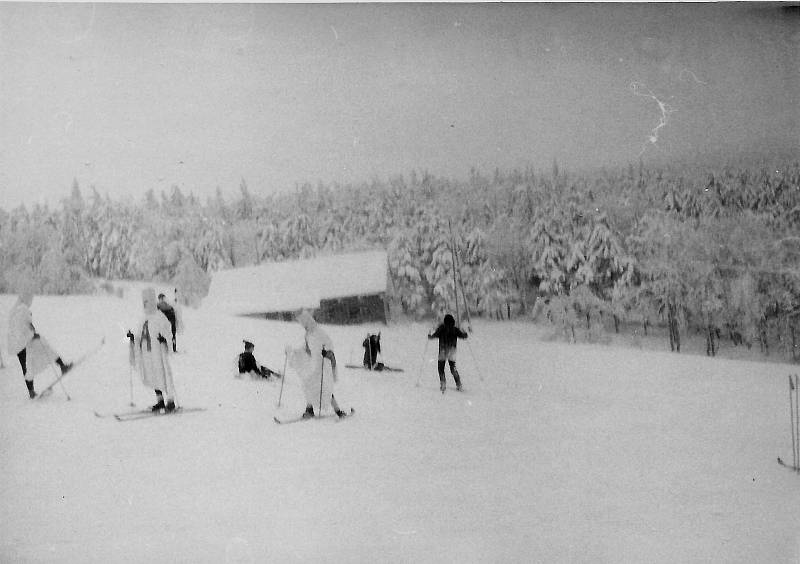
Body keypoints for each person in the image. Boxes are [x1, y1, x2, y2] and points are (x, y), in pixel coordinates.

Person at [6, 290, 72, 398]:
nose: (31, 301)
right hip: (23, 342)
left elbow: (21, 326)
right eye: (30, 299)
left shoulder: (15, 309)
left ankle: (31, 391)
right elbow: (22, 327)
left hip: (17, 344)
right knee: (44, 349)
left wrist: (30, 333)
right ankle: (62, 366)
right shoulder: (22, 309)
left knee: (26, 366)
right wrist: (31, 334)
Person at [285, 310, 347, 419]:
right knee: (309, 386)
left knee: (325, 388)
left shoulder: (319, 332)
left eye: (303, 323)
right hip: (312, 365)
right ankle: (309, 410)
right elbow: (306, 348)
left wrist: (326, 352)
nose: (303, 325)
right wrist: (293, 353)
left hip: (322, 365)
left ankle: (338, 411)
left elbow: (329, 345)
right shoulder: (308, 334)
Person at [131, 288, 176, 412]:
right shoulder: (143, 319)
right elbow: (139, 334)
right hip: (148, 353)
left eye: (147, 302)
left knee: (164, 375)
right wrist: (133, 338)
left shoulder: (159, 316)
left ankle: (171, 401)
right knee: (153, 376)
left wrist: (165, 341)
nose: (145, 305)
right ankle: (160, 400)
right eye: (144, 302)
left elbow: (168, 331)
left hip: (158, 352)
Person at [427, 313, 468, 393]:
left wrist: (430, 336)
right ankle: (459, 384)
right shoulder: (455, 329)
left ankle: (443, 383)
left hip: (443, 350)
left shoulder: (442, 328)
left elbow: (434, 335)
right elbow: (463, 336)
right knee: (453, 367)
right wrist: (465, 334)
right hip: (452, 350)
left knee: (441, 368)